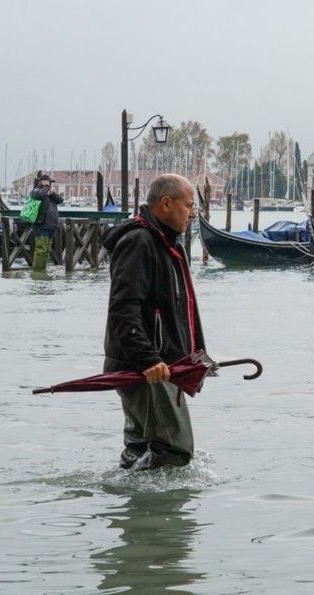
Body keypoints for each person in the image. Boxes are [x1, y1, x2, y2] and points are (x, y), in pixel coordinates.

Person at [101, 174, 203, 471]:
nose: (193, 212)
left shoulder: (167, 244)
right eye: (188, 205)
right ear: (166, 203)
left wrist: (195, 359)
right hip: (147, 369)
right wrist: (148, 359)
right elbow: (122, 308)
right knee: (174, 450)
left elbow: (178, 311)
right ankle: (157, 513)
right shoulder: (139, 242)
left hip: (163, 366)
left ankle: (129, 506)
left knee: (140, 445)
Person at [29, 172, 64, 272]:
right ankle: (37, 272)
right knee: (41, 250)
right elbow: (37, 195)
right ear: (43, 182)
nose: (50, 184)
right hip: (41, 225)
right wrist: (45, 188)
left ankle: (42, 270)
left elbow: (60, 200)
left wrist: (52, 193)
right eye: (48, 182)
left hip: (51, 225)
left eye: (50, 182)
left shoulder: (51, 193)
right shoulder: (37, 191)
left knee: (47, 250)